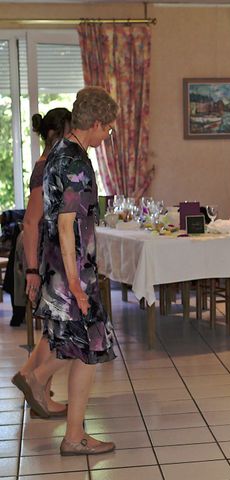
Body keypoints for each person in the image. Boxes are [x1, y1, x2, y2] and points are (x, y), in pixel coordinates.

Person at [12, 86, 118, 455]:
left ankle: (58, 411)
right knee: (88, 349)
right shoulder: (75, 161)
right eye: (108, 129)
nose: (108, 136)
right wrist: (76, 283)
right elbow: (65, 224)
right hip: (72, 273)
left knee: (79, 348)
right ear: (98, 122)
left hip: (59, 269)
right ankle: (68, 429)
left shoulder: (58, 152)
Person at [12, 107, 71, 418]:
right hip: (49, 256)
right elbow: (30, 222)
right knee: (62, 328)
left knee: (54, 329)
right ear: (62, 132)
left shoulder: (50, 164)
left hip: (52, 254)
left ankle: (33, 384)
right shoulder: (46, 166)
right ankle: (36, 387)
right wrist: (33, 270)